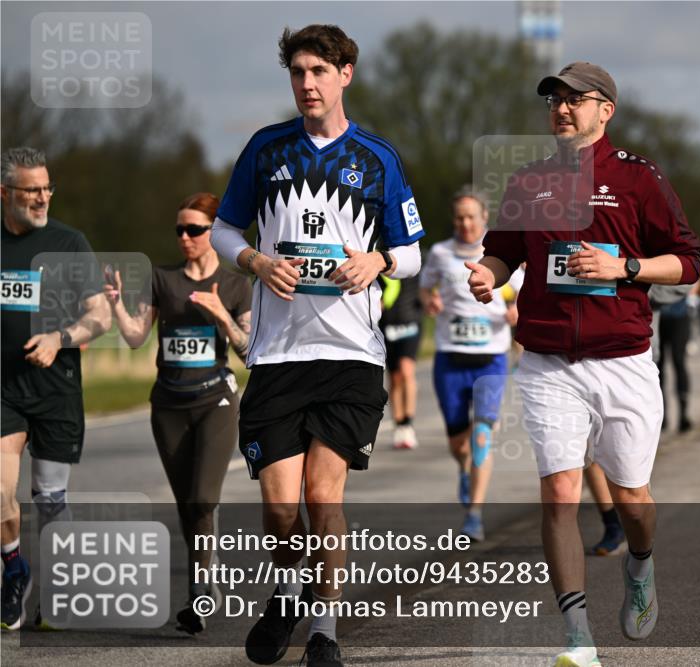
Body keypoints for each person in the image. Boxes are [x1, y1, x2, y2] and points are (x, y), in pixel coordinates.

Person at [467, 61, 700, 667]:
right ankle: (577, 638)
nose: (563, 109)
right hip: (548, 362)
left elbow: (687, 262)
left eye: (576, 99)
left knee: (632, 499)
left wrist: (624, 267)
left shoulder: (637, 177)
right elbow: (503, 252)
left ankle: (641, 565)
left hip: (623, 361)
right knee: (559, 493)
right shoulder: (528, 181)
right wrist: (487, 276)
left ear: (606, 110)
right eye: (555, 101)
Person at [209, 25, 424, 667]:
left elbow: (412, 252)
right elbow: (223, 231)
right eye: (298, 72)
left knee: (324, 496)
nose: (307, 83)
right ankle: (288, 593)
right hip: (278, 355)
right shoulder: (266, 148)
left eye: (319, 71)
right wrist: (255, 261)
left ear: (345, 74)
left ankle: (325, 631)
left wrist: (378, 261)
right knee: (280, 508)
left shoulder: (378, 158)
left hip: (351, 356)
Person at [103, 192, 252, 634]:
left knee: (203, 498)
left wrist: (222, 315)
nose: (185, 237)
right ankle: (207, 572)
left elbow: (247, 351)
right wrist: (116, 304)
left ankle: (199, 595)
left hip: (215, 401)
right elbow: (136, 337)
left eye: (194, 230)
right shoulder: (162, 278)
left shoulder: (236, 285)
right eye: (179, 230)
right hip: (168, 404)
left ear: (214, 233)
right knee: (188, 503)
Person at [1, 147, 111, 630]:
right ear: (5, 193)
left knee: (48, 498)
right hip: (3, 388)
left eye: (47, 188)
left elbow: (100, 316)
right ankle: (14, 571)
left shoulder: (69, 243)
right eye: (32, 190)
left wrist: (58, 338)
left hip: (55, 388)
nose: (43, 197)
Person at [419, 186, 520, 542]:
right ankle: (464, 470)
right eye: (459, 218)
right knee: (459, 444)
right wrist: (429, 301)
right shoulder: (440, 253)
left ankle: (474, 514)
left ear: (484, 217)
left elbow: (522, 293)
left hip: (491, 358)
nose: (465, 224)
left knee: (482, 437)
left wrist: (516, 310)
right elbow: (425, 288)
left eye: (471, 217)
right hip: (451, 356)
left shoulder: (502, 253)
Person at [379, 275, 422, 449]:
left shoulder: (417, 264)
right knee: (395, 377)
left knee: (406, 370)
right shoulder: (378, 266)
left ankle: (408, 423)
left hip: (410, 322)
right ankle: (399, 425)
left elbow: (429, 285)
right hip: (386, 323)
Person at [650, 283, 695, 431]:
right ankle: (662, 416)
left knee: (679, 362)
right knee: (658, 366)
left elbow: (690, 282)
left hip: (679, 317)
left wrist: (655, 292)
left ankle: (683, 414)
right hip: (658, 318)